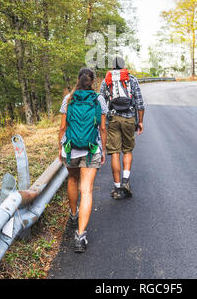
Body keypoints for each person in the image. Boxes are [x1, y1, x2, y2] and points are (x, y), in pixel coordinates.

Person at [58, 68, 107, 253]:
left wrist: (60, 148)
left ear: (78, 79)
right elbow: (102, 128)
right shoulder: (98, 99)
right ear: (93, 81)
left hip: (71, 148)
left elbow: (63, 127)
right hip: (91, 148)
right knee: (86, 190)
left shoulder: (69, 98)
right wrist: (103, 150)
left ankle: (73, 215)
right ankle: (80, 236)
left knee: (72, 179)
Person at [100, 56, 145, 199]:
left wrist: (102, 122)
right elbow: (140, 103)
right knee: (127, 150)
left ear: (113, 67)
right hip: (129, 118)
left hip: (113, 119)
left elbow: (101, 102)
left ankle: (117, 187)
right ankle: (126, 181)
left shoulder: (106, 81)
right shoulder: (131, 79)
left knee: (114, 152)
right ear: (124, 66)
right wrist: (141, 121)